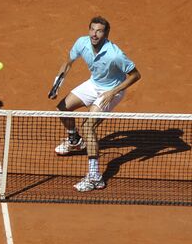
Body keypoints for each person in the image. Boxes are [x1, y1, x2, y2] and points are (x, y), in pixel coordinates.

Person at [51, 17, 141, 191]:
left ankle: (95, 177)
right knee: (62, 108)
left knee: (87, 127)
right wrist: (57, 83)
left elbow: (136, 75)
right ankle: (75, 140)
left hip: (112, 91)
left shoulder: (115, 54)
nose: (94, 34)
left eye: (99, 31)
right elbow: (68, 63)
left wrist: (113, 92)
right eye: (92, 29)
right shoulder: (82, 43)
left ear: (106, 34)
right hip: (94, 84)